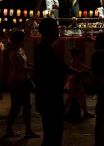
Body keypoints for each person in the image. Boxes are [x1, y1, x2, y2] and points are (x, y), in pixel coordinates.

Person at [33, 17, 79, 146]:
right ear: (48, 31)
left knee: (51, 134)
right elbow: (57, 68)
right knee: (53, 134)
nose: (58, 31)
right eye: (56, 29)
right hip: (50, 97)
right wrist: (74, 72)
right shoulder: (46, 51)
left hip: (47, 96)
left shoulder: (44, 49)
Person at [5, 30, 40, 139]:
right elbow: (22, 68)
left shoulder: (20, 50)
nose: (25, 39)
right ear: (19, 39)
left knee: (27, 106)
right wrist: (38, 69)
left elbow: (27, 63)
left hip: (24, 81)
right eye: (23, 38)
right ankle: (9, 129)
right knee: (16, 107)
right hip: (16, 82)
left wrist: (36, 66)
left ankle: (28, 129)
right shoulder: (14, 52)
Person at [90, 32, 104, 144]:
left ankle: (99, 140)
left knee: (101, 117)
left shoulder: (96, 56)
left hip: (101, 90)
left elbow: (95, 74)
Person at [64, 46, 94, 122]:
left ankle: (85, 112)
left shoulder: (75, 60)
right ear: (77, 54)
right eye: (79, 54)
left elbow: (83, 66)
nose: (80, 55)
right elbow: (79, 69)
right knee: (72, 96)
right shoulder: (74, 61)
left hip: (76, 79)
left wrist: (90, 69)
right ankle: (63, 111)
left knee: (81, 95)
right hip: (76, 80)